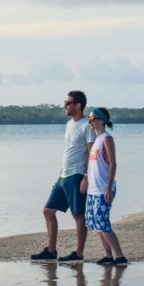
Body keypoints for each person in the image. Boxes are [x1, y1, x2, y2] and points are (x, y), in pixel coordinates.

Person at [31, 90, 95, 263]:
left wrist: (86, 177)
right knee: (48, 211)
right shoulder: (69, 124)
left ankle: (78, 254)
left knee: (78, 215)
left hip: (77, 175)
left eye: (68, 103)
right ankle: (51, 251)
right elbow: (69, 151)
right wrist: (60, 173)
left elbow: (91, 153)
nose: (65, 106)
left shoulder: (87, 126)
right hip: (63, 176)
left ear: (78, 105)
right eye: (65, 103)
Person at [85, 107, 128, 265]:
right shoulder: (96, 140)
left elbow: (113, 164)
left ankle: (120, 256)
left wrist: (108, 188)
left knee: (103, 224)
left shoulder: (106, 139)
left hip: (104, 189)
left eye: (92, 118)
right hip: (93, 190)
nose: (90, 121)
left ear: (101, 120)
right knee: (97, 225)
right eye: (89, 118)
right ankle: (108, 255)